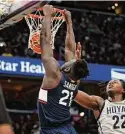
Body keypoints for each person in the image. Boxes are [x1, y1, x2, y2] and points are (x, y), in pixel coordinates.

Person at [38, 5, 89, 134]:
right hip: (68, 128)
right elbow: (70, 49)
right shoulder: (75, 81)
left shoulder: (55, 75)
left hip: (53, 130)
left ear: (67, 69)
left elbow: (45, 39)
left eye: (70, 62)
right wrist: (69, 22)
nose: (68, 59)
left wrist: (47, 15)